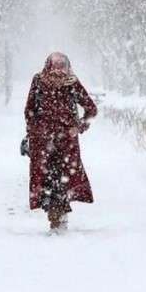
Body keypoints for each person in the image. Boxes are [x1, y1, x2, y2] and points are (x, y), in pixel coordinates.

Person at [24, 52, 98, 232]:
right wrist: (78, 127)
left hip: (50, 141)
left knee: (51, 178)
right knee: (59, 177)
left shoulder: (48, 81)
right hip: (58, 141)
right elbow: (91, 110)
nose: (58, 72)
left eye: (60, 67)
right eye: (55, 67)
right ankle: (58, 216)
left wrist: (33, 130)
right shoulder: (65, 82)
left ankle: (56, 217)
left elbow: (29, 110)